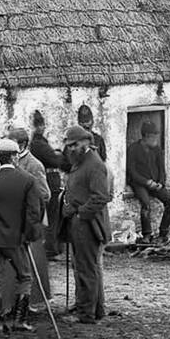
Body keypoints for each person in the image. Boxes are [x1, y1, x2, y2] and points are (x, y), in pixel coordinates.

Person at [0, 137, 44, 332]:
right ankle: (20, 320)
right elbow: (33, 212)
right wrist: (29, 235)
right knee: (25, 277)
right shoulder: (28, 180)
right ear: (14, 157)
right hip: (16, 238)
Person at [60, 124, 112, 324]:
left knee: (86, 269)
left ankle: (86, 314)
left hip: (88, 225)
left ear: (86, 142)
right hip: (79, 223)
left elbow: (100, 197)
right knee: (86, 267)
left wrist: (80, 213)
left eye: (75, 145)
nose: (71, 149)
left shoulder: (94, 164)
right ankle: (96, 310)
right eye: (69, 145)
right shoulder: (80, 162)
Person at [11, 126, 51, 307]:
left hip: (32, 219)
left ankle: (33, 301)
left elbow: (45, 194)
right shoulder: (12, 161)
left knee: (32, 262)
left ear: (23, 144)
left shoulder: (34, 165)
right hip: (15, 220)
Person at [126, 119, 170, 243]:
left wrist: (161, 183)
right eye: (153, 137)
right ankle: (147, 235)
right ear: (146, 136)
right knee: (146, 204)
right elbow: (132, 172)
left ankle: (163, 234)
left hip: (155, 184)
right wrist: (146, 182)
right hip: (139, 183)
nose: (156, 139)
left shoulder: (157, 149)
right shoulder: (133, 149)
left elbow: (161, 169)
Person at [28, 110, 66, 258]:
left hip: (48, 181)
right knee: (52, 216)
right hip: (50, 182)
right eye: (39, 125)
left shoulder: (39, 143)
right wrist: (57, 155)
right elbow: (56, 161)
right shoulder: (38, 144)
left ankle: (52, 247)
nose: (41, 128)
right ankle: (51, 248)